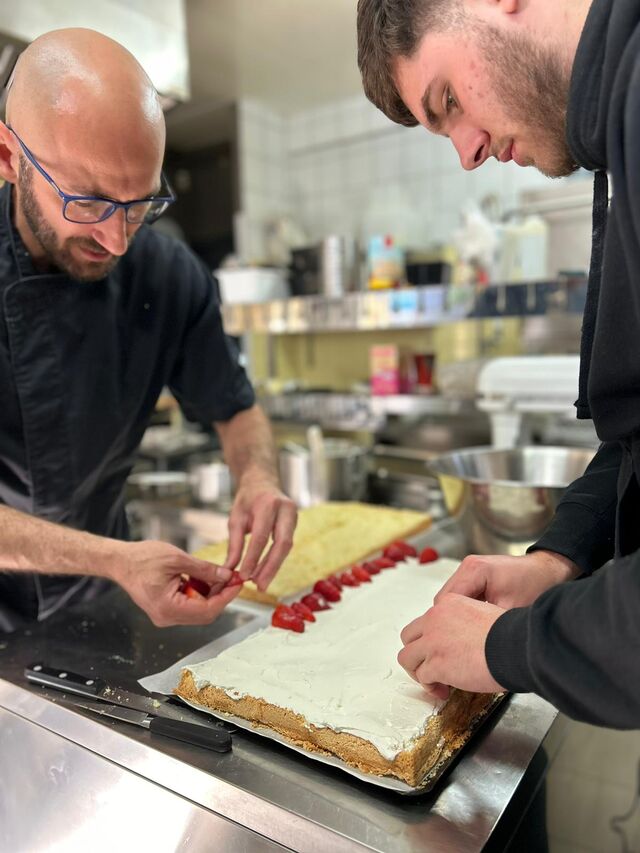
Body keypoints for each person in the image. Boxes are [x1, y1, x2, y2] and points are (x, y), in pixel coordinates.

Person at [357, 0, 640, 726]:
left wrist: (513, 645)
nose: (467, 152)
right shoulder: (616, 126)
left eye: (448, 100)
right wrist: (556, 560)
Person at [0, 28, 296, 632]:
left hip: (106, 605)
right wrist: (114, 559)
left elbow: (234, 408)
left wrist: (259, 480)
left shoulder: (169, 276)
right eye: (88, 201)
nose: (117, 240)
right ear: (8, 158)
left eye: (140, 204)